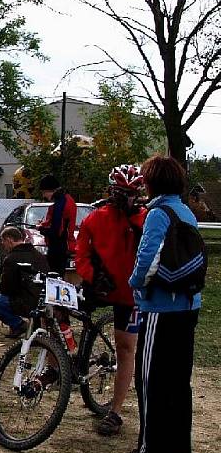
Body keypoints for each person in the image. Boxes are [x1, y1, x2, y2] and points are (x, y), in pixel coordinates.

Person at [128, 155, 201, 453]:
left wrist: (134, 285)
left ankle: (151, 451)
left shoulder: (158, 213)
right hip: (188, 305)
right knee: (177, 379)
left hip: (160, 306)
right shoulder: (186, 211)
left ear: (151, 181)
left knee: (150, 379)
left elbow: (147, 260)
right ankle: (178, 447)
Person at [75, 165, 147, 437]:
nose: (126, 199)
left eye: (131, 194)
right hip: (101, 286)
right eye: (121, 193)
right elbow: (81, 254)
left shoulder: (144, 219)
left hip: (129, 296)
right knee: (57, 307)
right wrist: (91, 275)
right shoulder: (95, 218)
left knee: (125, 348)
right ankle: (61, 364)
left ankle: (114, 412)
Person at [0, 226, 49, 339]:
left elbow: (6, 288)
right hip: (43, 301)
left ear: (9, 240)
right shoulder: (39, 256)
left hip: (26, 302)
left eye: (3, 241)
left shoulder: (11, 259)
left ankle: (18, 324)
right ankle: (35, 324)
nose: (3, 245)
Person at [37, 174, 76, 275]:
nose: (44, 196)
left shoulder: (61, 204)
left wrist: (42, 229)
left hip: (59, 247)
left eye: (44, 192)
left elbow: (56, 231)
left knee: (54, 277)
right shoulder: (67, 199)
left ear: (51, 190)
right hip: (64, 246)